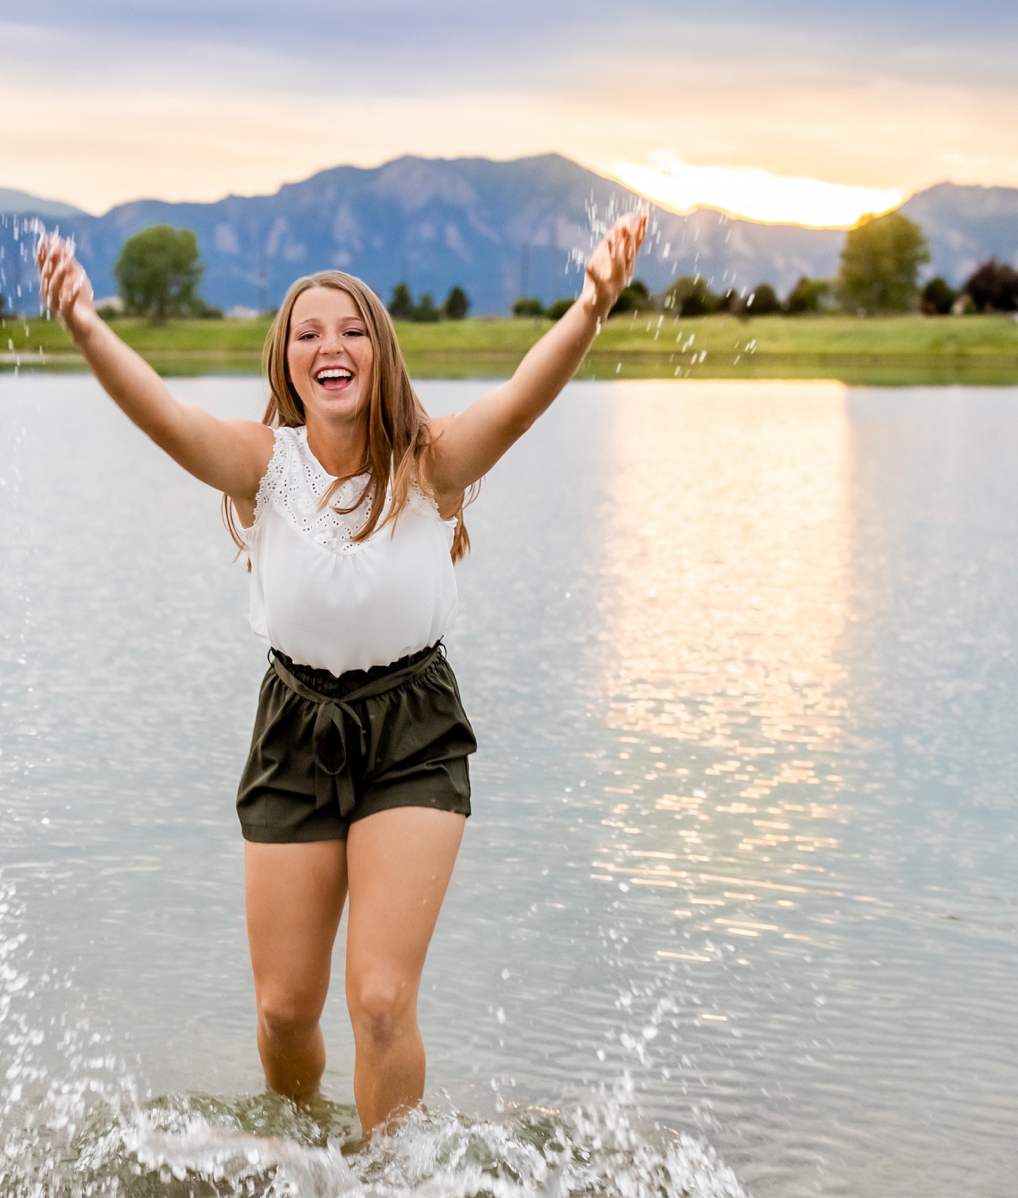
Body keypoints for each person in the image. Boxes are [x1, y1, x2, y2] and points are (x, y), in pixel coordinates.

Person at [33, 211, 649, 1137]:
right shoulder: (260, 465)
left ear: (381, 354)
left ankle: (389, 1192)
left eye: (353, 329)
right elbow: (164, 416)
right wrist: (85, 323)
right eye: (308, 332)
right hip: (295, 725)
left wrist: (592, 305)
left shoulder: (428, 462)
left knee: (379, 1000)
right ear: (287, 364)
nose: (332, 344)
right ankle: (298, 1157)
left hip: (414, 730)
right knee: (286, 1010)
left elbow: (521, 398)